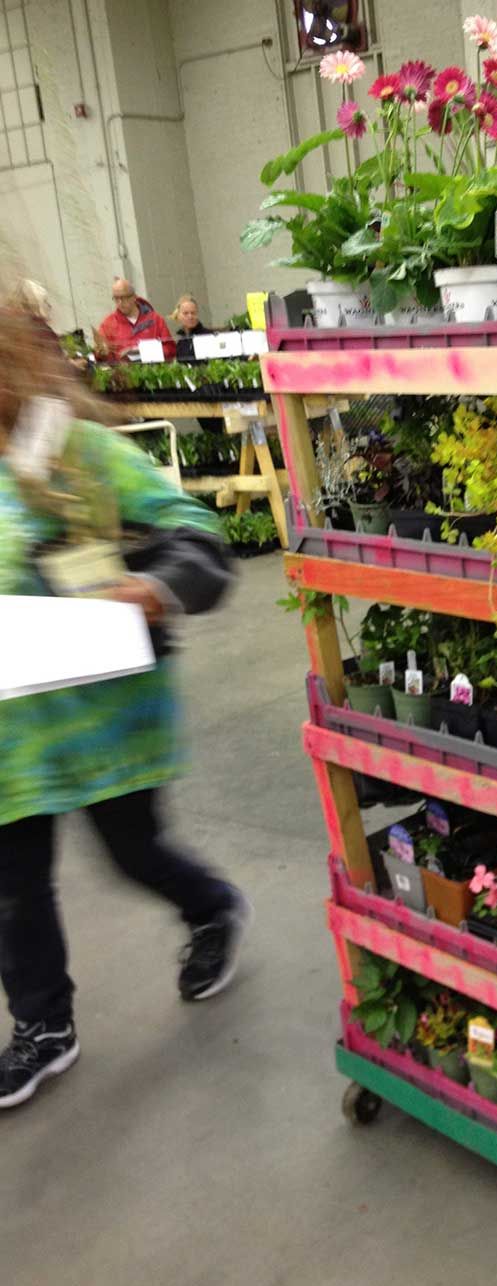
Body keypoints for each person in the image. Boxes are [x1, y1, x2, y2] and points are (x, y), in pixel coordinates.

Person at [0, 308, 251, 1110]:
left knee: (132, 852)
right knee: (12, 884)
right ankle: (44, 1024)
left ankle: (211, 907)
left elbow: (199, 541)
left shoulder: (80, 453)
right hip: (11, 738)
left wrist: (149, 588)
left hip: (104, 717)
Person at [96, 277, 176, 362]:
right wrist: (101, 353)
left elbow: (171, 349)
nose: (120, 303)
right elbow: (101, 357)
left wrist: (142, 351)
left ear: (134, 297)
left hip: (154, 372)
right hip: (124, 374)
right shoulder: (107, 324)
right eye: (116, 298)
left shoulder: (155, 319)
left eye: (123, 298)